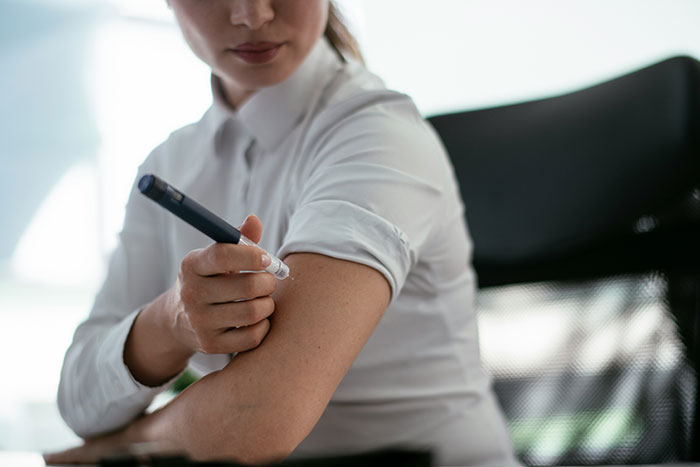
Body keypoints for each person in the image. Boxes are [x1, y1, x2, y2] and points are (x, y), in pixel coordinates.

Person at [46, 1, 518, 465]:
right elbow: (78, 403)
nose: (252, 15)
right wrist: (168, 322)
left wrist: (111, 453)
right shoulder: (168, 164)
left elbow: (252, 423)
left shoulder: (380, 136)